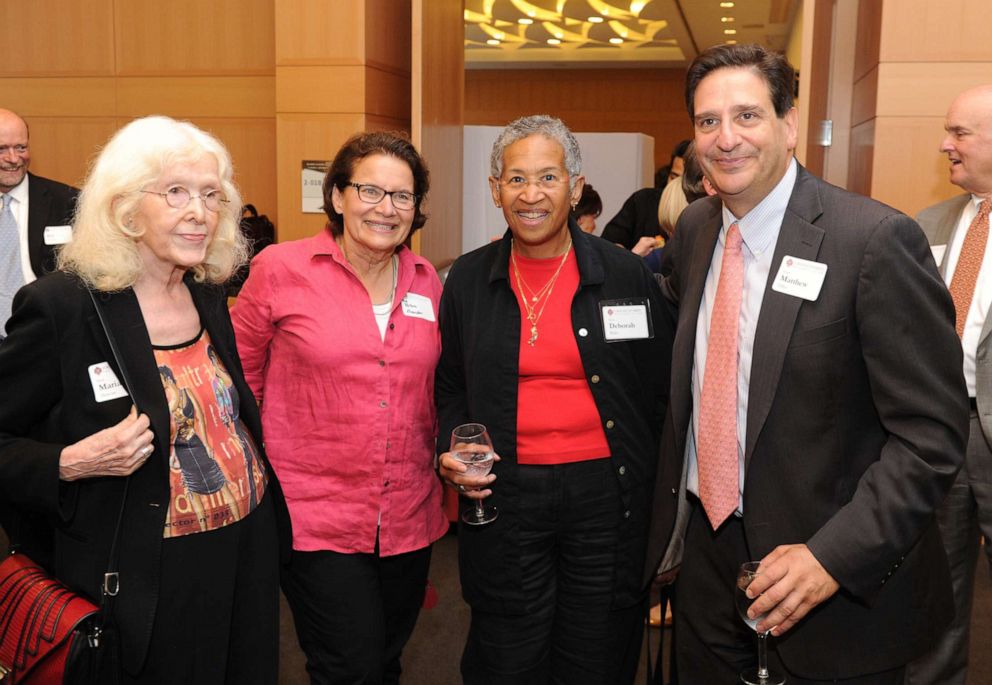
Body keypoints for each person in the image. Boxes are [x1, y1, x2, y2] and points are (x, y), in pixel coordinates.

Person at [643, 43, 968, 684]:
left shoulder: (873, 240)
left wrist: (832, 558)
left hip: (827, 576)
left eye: (748, 116)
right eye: (708, 122)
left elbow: (930, 437)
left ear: (790, 125)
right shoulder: (697, 232)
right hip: (709, 563)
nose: (726, 138)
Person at [0, 115, 290, 683]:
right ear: (125, 208)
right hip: (148, 567)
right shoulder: (63, 306)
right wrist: (70, 462)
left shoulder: (204, 291)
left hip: (245, 547)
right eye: (176, 192)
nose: (199, 211)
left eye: (211, 195)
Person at [436, 114, 672, 684]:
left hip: (605, 497)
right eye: (516, 179)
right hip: (504, 496)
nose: (532, 194)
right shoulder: (467, 281)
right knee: (506, 651)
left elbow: (657, 392)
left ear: (575, 184)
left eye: (548, 177)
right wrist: (449, 450)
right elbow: (450, 387)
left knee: (596, 649)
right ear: (495, 191)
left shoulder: (624, 275)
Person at [231, 131, 446, 685]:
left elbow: (439, 388)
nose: (386, 208)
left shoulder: (429, 283)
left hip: (406, 514)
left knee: (385, 660)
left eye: (402, 196)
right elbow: (239, 378)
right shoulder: (281, 269)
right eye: (370, 190)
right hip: (314, 514)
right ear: (338, 197)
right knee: (346, 666)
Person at [905, 84, 992, 685]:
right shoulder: (929, 223)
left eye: (959, 133)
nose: (945, 145)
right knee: (938, 591)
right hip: (937, 432)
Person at [0, 108, 78, 334]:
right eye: (2, 149)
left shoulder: (68, 201)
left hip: (45, 330)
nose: (13, 159)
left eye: (21, 147)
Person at [602, 139, 691, 256]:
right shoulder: (643, 201)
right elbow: (608, 245)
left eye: (684, 181)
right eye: (673, 178)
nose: (675, 186)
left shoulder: (705, 213)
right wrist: (628, 256)